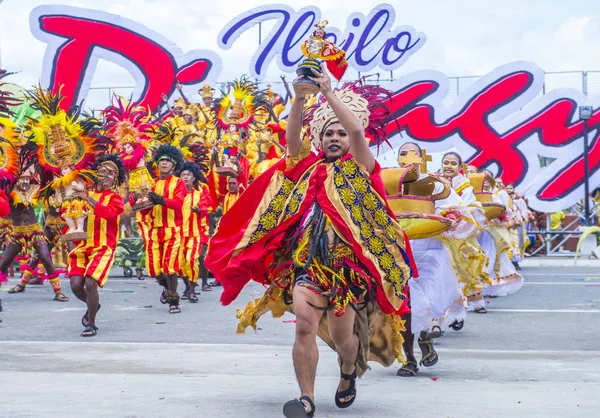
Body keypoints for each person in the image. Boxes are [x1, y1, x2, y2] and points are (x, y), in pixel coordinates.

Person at [206, 66, 414, 417]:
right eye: (327, 134)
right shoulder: (306, 167)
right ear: (319, 139)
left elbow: (357, 129)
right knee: (303, 325)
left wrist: (329, 93)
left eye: (339, 134)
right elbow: (290, 141)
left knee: (344, 338)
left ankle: (348, 369)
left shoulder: (361, 165)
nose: (335, 138)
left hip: (348, 271)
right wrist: (301, 97)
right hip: (308, 266)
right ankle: (306, 398)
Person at [68, 154, 125, 337]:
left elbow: (107, 214)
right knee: (76, 286)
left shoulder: (116, 198)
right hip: (83, 246)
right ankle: (93, 305)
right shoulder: (85, 191)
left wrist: (88, 198)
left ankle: (91, 324)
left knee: (91, 282)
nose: (105, 175)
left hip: (103, 247)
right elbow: (72, 216)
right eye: (103, 171)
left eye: (111, 173)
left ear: (115, 179)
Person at [135, 144, 186, 314]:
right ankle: (169, 290)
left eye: (168, 161)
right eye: (161, 160)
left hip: (172, 230)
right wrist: (136, 199)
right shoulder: (152, 183)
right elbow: (145, 209)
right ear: (157, 163)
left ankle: (173, 300)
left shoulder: (179, 183)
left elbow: (178, 204)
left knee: (169, 267)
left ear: (174, 165)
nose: (164, 163)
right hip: (154, 231)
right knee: (154, 270)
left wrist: (160, 199)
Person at [3, 167, 67, 301]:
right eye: (22, 179)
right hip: (17, 234)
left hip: (36, 232)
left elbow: (50, 185)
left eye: (27, 179)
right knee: (4, 263)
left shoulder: (35, 190)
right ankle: (21, 284)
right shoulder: (9, 192)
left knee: (45, 258)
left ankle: (58, 292)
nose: (25, 182)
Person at [178, 162, 213, 300]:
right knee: (181, 264)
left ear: (194, 178)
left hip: (195, 233)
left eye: (188, 175)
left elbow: (206, 209)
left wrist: (199, 211)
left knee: (191, 260)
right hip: (179, 234)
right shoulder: (175, 194)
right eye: (183, 175)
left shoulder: (199, 193)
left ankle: (193, 289)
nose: (186, 177)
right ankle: (187, 287)